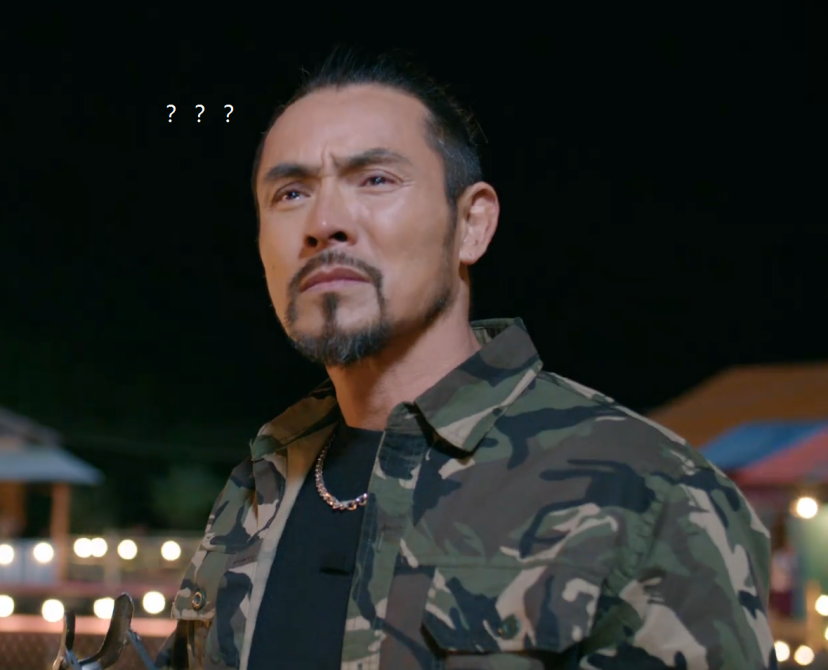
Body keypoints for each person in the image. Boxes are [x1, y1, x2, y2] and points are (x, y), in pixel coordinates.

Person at [155, 46, 778, 670]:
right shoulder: (259, 484)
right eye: (290, 193)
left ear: (472, 225)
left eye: (376, 179)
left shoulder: (647, 493)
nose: (324, 222)